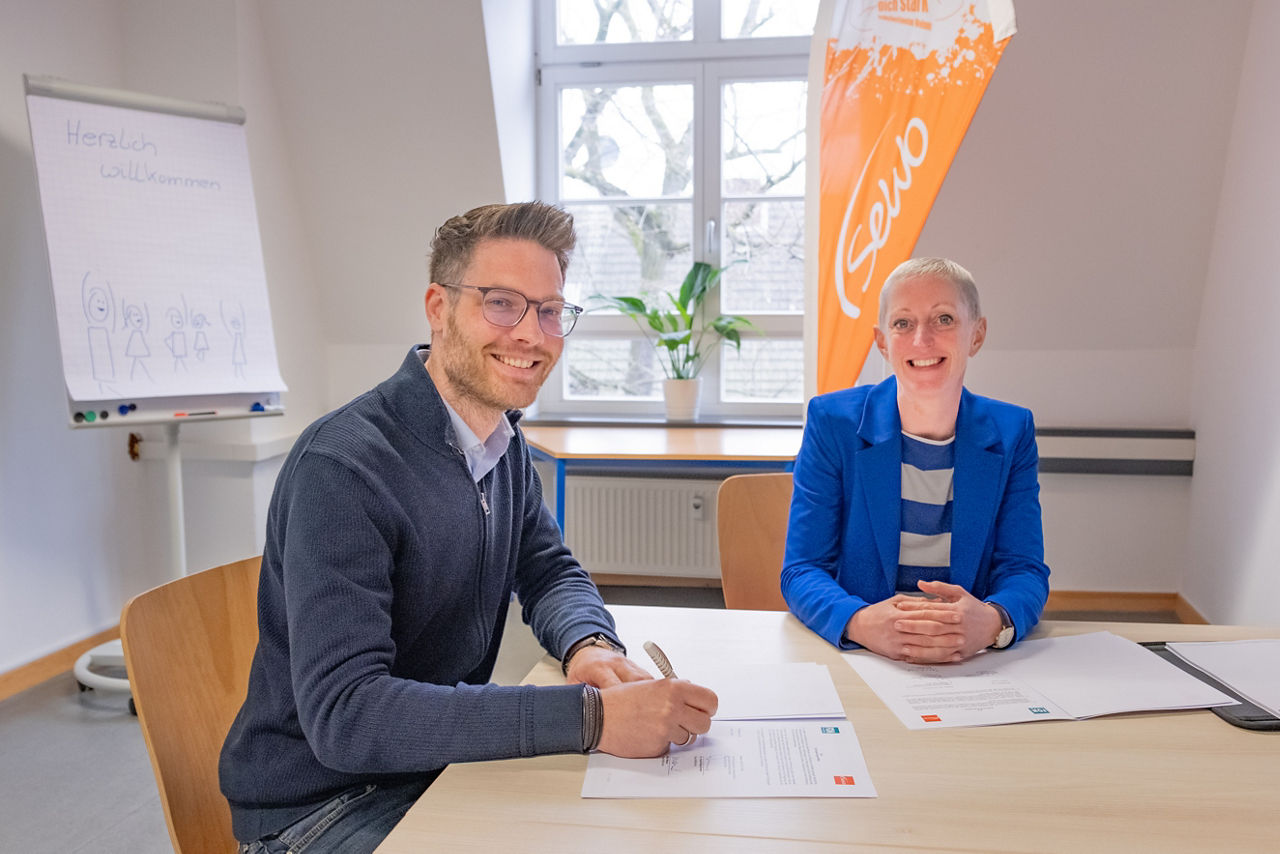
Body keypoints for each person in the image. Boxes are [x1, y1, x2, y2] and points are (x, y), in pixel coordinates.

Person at [220, 202, 718, 853]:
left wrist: (589, 645)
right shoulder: (343, 468)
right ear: (438, 307)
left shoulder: (500, 442)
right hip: (321, 806)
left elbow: (548, 568)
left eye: (548, 310)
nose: (533, 335)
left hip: (431, 766)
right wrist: (591, 717)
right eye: (503, 303)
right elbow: (348, 717)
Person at [781, 257, 1049, 664]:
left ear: (976, 335)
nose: (921, 340)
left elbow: (1024, 569)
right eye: (903, 323)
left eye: (943, 319)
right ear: (882, 341)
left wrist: (995, 621)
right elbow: (802, 569)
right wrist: (858, 621)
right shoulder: (832, 422)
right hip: (864, 656)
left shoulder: (1013, 431)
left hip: (968, 661)